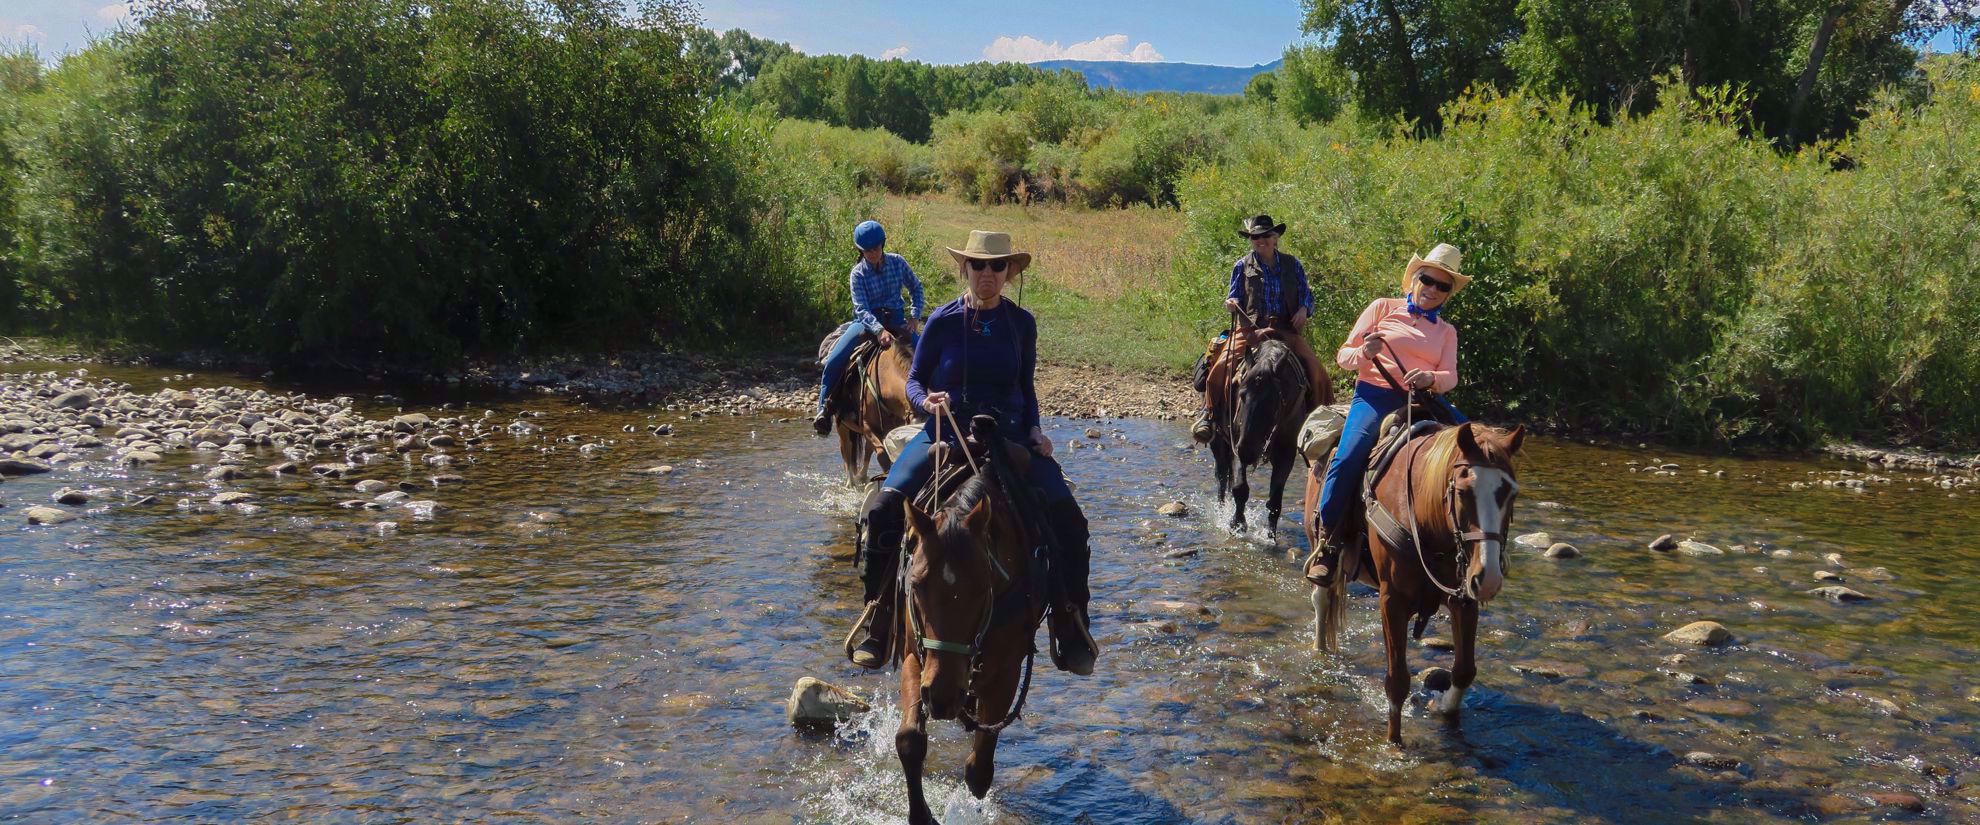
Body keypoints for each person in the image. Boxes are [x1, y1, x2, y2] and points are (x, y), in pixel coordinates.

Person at [848, 230, 1098, 676]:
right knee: (885, 508)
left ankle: (1069, 619)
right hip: (946, 431)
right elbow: (915, 380)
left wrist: (1037, 430)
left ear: (1009, 272)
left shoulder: (1022, 324)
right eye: (979, 265)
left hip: (1011, 437)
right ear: (965, 269)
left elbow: (1026, 387)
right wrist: (927, 403)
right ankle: (878, 615)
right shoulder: (943, 320)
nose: (988, 273)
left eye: (997, 266)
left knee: (1070, 521)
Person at [1303, 243, 1471, 586]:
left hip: (1423, 399)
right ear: (1415, 279)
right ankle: (1328, 543)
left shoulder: (1446, 331)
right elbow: (1344, 357)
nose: (1433, 290)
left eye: (1443, 286)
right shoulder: (1382, 308)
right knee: (1349, 455)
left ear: (1448, 293)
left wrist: (1431, 379)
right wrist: (1366, 352)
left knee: (1479, 452)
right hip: (1375, 394)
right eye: (1428, 280)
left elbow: (1450, 376)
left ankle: (1472, 546)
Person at [1192, 214, 1329, 443]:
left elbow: (1307, 295)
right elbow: (1233, 295)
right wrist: (1231, 303)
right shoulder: (1241, 266)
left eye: (1265, 235)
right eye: (1255, 237)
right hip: (1250, 330)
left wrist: (1304, 309)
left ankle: (1321, 421)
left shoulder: (1292, 264)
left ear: (1275, 238)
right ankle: (1209, 414)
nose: (1260, 240)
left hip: (1285, 330)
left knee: (1317, 371)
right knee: (1220, 367)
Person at [814, 220, 925, 435]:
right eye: (868, 251)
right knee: (835, 359)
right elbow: (861, 308)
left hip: (897, 320)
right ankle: (823, 410)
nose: (873, 254)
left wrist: (915, 316)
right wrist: (878, 330)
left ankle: (941, 403)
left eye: (876, 248)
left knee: (927, 354)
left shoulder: (898, 263)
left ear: (883, 244)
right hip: (865, 324)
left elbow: (916, 288)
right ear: (860, 250)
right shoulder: (857, 274)